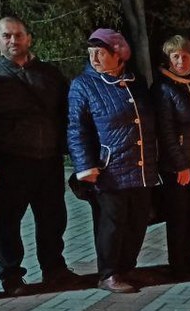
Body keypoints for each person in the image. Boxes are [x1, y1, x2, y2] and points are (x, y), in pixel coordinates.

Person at [0, 15, 75, 296]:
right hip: (9, 162)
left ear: (28, 38)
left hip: (48, 160)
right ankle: (11, 275)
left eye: (18, 35)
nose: (13, 40)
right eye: (6, 36)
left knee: (52, 218)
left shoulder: (49, 74)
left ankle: (54, 268)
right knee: (7, 221)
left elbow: (66, 115)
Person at [67, 28, 173, 294]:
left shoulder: (134, 83)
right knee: (111, 224)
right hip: (108, 170)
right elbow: (76, 128)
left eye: (101, 53)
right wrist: (84, 165)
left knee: (137, 222)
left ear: (118, 55)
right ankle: (109, 273)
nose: (95, 59)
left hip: (140, 167)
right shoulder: (84, 85)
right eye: (91, 54)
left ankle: (127, 268)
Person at [153, 35, 190, 279]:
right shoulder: (164, 88)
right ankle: (178, 265)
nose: (181, 61)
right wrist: (180, 165)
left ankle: (189, 260)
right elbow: (166, 131)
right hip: (179, 165)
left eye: (185, 56)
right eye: (176, 56)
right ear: (169, 59)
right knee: (178, 216)